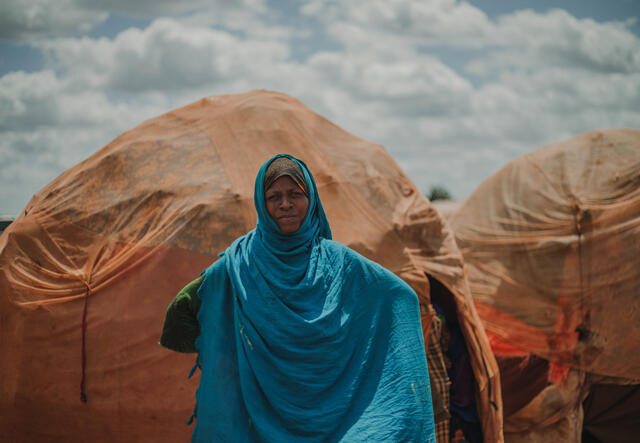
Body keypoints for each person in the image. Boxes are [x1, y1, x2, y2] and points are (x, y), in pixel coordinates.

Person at [161, 154, 436, 442]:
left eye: (295, 194)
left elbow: (399, 297)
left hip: (339, 416)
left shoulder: (339, 262)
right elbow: (184, 309)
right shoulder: (240, 265)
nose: (285, 205)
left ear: (312, 198)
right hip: (262, 411)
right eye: (273, 196)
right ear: (261, 203)